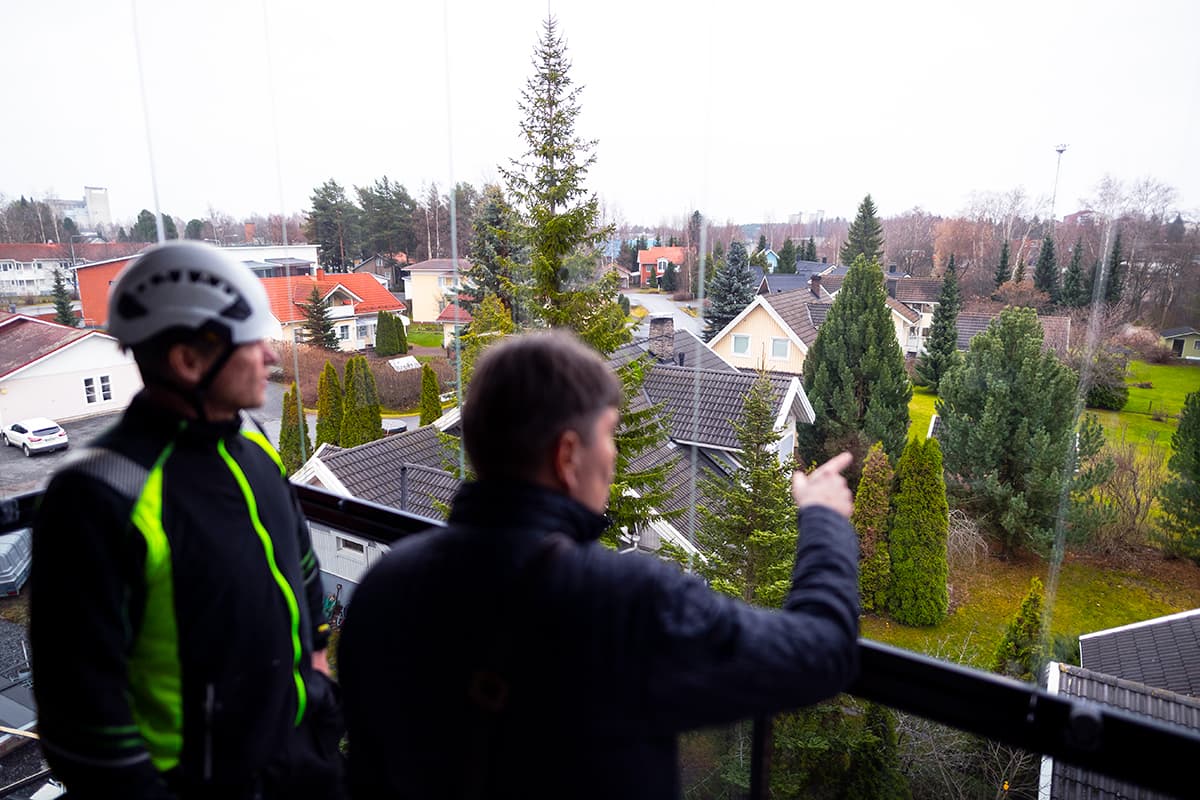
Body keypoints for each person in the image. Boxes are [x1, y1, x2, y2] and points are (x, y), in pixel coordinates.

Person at [338, 331, 860, 799]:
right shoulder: (624, 600)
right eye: (608, 434)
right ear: (568, 456)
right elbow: (822, 653)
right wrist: (824, 521)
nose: (614, 456)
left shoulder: (384, 588)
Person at [31, 241, 342, 799]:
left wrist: (316, 662)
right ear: (189, 361)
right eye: (252, 343)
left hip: (296, 760)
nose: (271, 358)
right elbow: (79, 707)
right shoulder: (98, 494)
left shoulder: (252, 450)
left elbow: (300, 563)